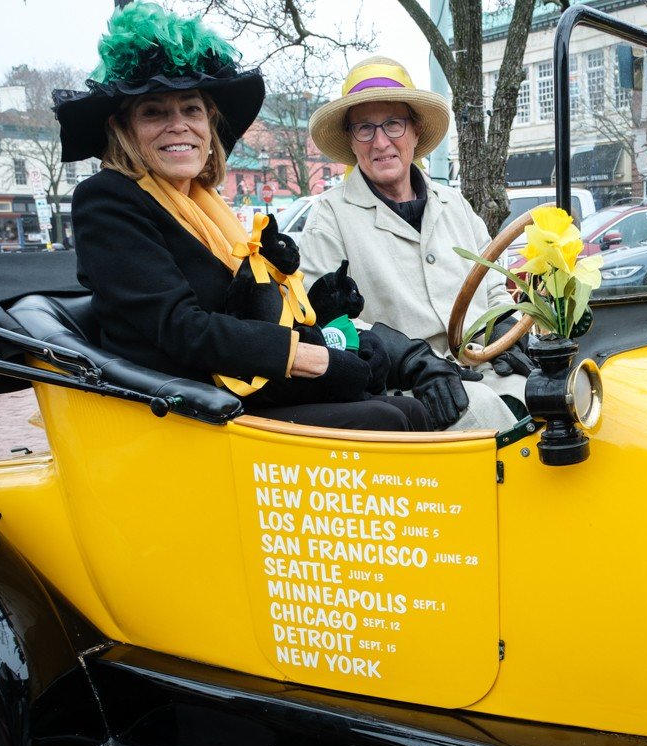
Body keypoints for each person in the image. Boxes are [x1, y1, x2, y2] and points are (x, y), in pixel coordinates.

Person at [54, 3, 428, 432]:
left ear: (209, 124)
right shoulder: (105, 200)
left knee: (409, 408)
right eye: (154, 112)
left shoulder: (203, 203)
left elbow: (241, 305)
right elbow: (182, 329)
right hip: (183, 408)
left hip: (234, 386)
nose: (179, 126)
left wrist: (326, 316)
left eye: (191, 109)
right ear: (125, 129)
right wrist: (316, 357)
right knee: (389, 418)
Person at [301, 57, 528, 430]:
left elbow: (491, 285)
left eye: (393, 124)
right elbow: (326, 321)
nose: (380, 142)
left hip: (479, 366)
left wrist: (504, 325)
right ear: (350, 140)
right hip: (403, 392)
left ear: (415, 131)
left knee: (552, 396)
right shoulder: (330, 217)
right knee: (484, 419)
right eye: (364, 128)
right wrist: (409, 361)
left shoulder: (453, 203)